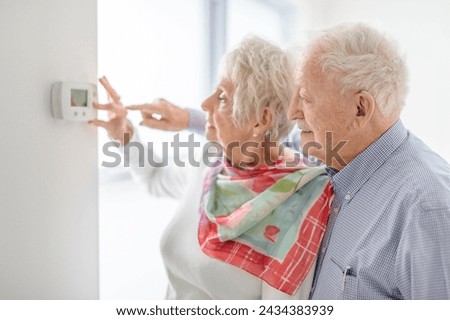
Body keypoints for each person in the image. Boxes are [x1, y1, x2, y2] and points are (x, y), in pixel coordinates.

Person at [91, 36, 333, 299]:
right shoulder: (209, 161)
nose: (205, 105)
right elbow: (155, 178)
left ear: (260, 120)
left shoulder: (305, 199)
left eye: (222, 98)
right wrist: (124, 136)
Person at [288, 22, 450, 299]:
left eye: (305, 98)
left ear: (360, 108)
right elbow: (247, 142)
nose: (292, 112)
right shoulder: (328, 160)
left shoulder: (427, 208)